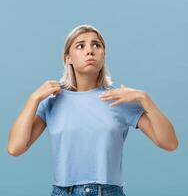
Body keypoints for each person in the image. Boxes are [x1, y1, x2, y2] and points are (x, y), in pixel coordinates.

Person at [7, 24, 179, 196]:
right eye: (80, 46)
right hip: (62, 192)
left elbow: (170, 143)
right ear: (68, 58)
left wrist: (144, 98)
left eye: (96, 45)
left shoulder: (119, 98)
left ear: (103, 55)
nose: (90, 51)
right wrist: (33, 99)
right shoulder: (52, 100)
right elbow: (15, 148)